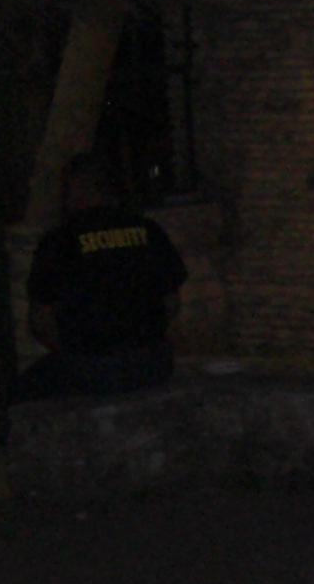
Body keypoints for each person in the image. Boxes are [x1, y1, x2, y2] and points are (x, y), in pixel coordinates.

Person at [14, 156, 187, 401]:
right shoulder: (149, 230)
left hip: (93, 369)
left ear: (75, 190)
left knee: (22, 393)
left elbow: (41, 320)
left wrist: (78, 354)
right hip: (153, 364)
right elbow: (172, 303)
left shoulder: (59, 241)